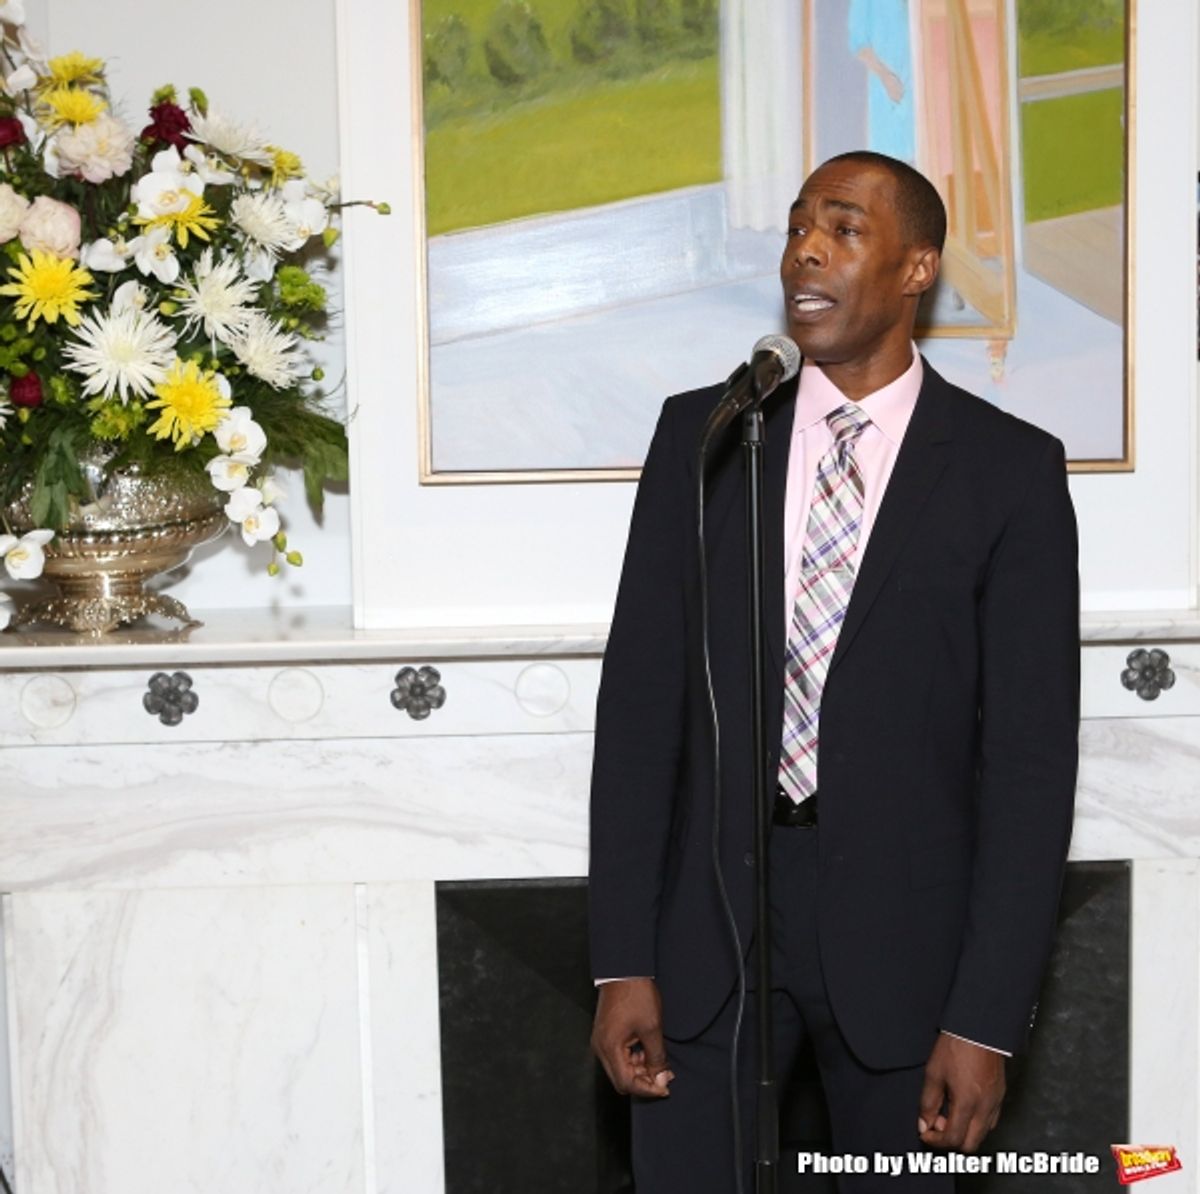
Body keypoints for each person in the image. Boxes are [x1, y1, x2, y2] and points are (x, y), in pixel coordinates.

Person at [588, 151, 1079, 1192]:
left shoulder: (1010, 470)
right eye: (798, 225)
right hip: (707, 933)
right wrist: (622, 958)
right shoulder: (704, 437)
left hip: (910, 952)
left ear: (917, 269)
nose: (806, 249)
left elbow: (1030, 771)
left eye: (845, 228)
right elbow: (638, 712)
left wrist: (986, 1019)